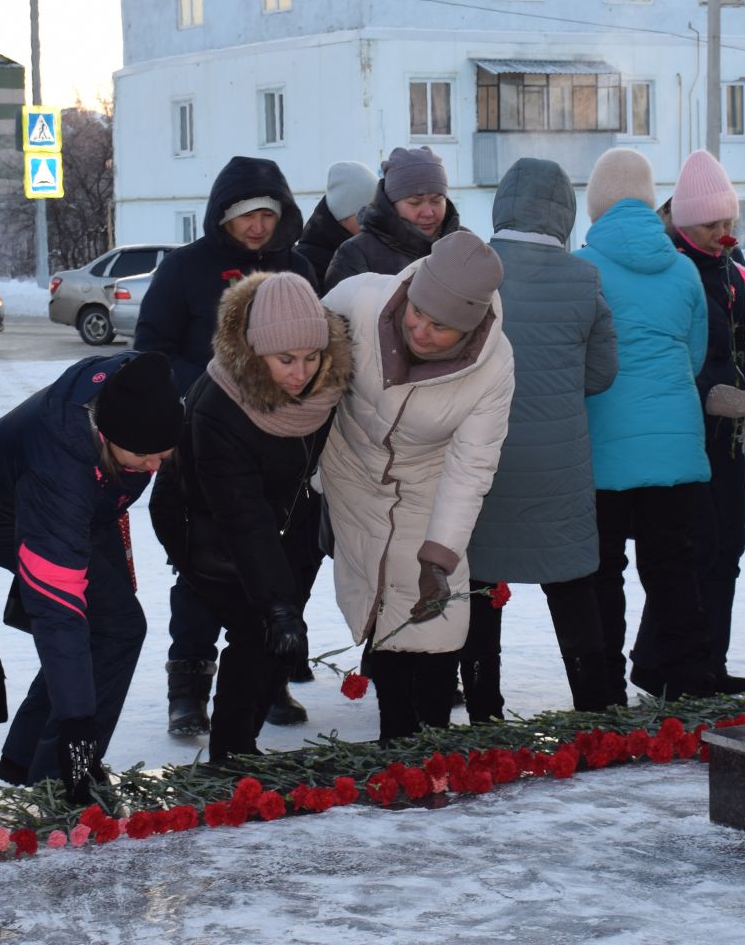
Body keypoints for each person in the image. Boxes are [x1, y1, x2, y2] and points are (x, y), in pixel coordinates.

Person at [135, 154, 315, 736]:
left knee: (275, 563)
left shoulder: (300, 268)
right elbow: (150, 351)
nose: (258, 226)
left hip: (280, 444)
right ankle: (187, 688)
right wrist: (205, 393)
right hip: (199, 440)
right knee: (204, 568)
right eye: (245, 215)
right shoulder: (185, 269)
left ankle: (268, 681)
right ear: (221, 217)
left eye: (267, 213)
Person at [320, 231, 515, 742]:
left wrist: (440, 555)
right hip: (350, 472)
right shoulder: (359, 298)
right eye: (418, 315)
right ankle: (395, 738)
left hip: (426, 481)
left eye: (442, 327)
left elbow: (472, 466)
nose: (423, 332)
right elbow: (295, 355)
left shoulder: (493, 368)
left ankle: (427, 743)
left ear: (471, 327)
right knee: (379, 604)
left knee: (434, 615)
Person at [150, 272, 350, 760]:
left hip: (286, 522)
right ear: (256, 353)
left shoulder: (326, 387)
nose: (300, 372)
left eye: (310, 357)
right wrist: (277, 604)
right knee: (256, 631)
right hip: (208, 528)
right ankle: (232, 755)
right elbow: (240, 514)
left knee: (276, 639)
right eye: (284, 360)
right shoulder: (222, 403)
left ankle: (243, 745)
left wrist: (289, 594)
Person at [0, 350, 181, 802]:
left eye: (162, 452)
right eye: (143, 454)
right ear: (107, 435)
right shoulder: (60, 465)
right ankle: (59, 778)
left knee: (112, 628)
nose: (155, 465)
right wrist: (78, 725)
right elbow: (59, 611)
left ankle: (31, 760)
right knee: (112, 628)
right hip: (12, 518)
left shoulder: (138, 392)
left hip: (93, 505)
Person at [459, 159, 617, 717]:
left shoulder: (469, 271)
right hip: (557, 468)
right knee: (572, 586)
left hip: (481, 462)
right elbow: (601, 374)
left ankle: (483, 712)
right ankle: (596, 709)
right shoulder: (582, 278)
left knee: (479, 590)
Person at [572, 148, 721, 701]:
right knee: (673, 570)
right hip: (676, 446)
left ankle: (605, 692)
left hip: (603, 445)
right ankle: (692, 683)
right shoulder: (683, 268)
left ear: (597, 205)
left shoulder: (582, 266)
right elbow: (697, 353)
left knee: (603, 572)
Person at [651, 150, 745, 693]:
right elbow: (662, 357)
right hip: (686, 434)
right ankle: (678, 665)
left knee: (729, 552)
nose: (724, 233)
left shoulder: (732, 271)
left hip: (728, 436)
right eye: (713, 224)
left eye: (729, 223)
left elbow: (739, 345)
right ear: (685, 221)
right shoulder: (671, 270)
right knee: (696, 554)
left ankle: (707, 662)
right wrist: (707, 394)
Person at [322, 146, 462, 291]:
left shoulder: (465, 244)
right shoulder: (356, 254)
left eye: (436, 200)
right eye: (415, 203)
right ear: (391, 203)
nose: (428, 212)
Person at [294, 160, 377, 284]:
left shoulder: (369, 247)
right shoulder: (304, 265)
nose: (374, 221)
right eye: (365, 214)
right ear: (343, 216)